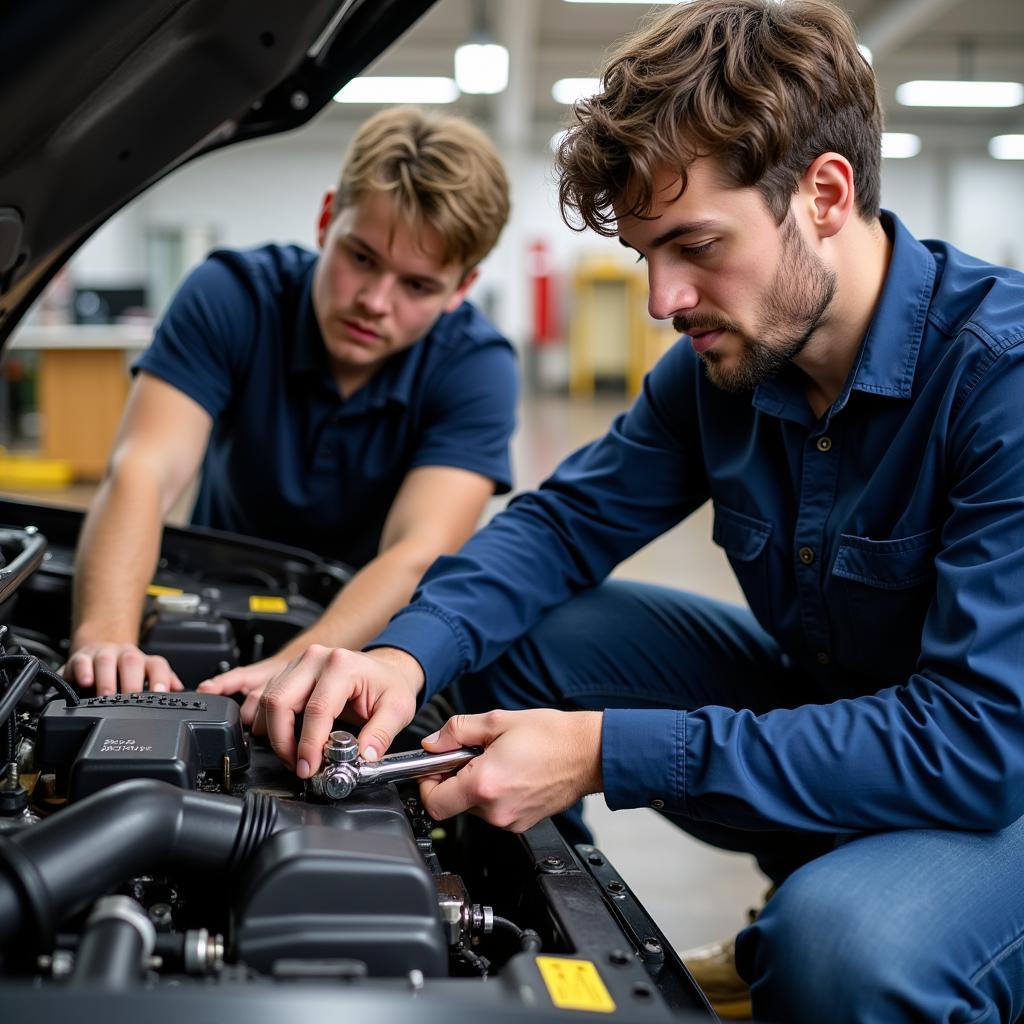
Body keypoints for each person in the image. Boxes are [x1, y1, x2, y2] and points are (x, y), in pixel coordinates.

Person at [255, 2, 1024, 1021]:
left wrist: (604, 749)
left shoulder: (999, 381)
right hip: (849, 723)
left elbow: (973, 744)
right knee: (515, 639)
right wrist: (403, 656)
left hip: (994, 784)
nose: (663, 299)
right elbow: (559, 525)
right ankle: (511, 955)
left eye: (695, 246)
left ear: (825, 196)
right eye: (646, 254)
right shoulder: (725, 370)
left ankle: (847, 926)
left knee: (840, 950)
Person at [65, 106, 517, 715]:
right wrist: (107, 635)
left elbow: (417, 551)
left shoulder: (477, 366)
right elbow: (143, 469)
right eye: (361, 257)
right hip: (214, 588)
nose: (373, 302)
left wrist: (295, 666)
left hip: (363, 630)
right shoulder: (232, 295)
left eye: (417, 286)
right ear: (327, 219)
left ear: (461, 287)